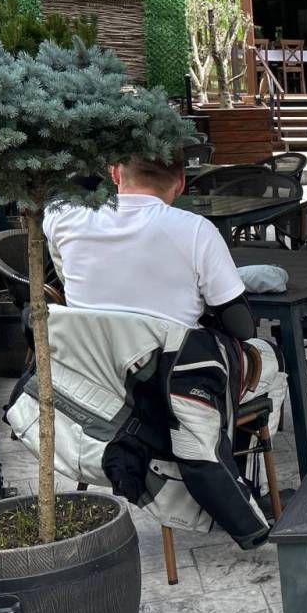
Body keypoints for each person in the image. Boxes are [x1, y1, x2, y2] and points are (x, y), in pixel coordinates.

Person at [44, 155, 285, 419]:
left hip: (89, 378)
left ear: (114, 173)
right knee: (269, 356)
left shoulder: (62, 219)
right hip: (173, 387)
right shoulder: (197, 230)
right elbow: (241, 327)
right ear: (181, 182)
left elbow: (64, 191)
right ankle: (234, 442)